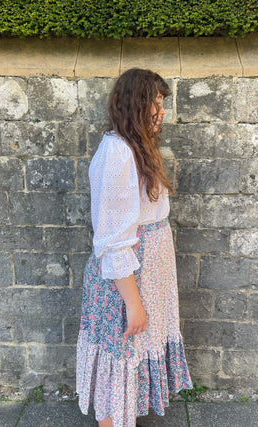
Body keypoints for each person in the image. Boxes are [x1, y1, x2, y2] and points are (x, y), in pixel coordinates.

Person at [76, 68, 193, 427]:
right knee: (118, 357)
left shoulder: (135, 148)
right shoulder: (117, 154)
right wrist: (134, 304)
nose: (161, 113)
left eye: (162, 105)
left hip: (147, 276)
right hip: (127, 282)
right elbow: (112, 241)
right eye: (154, 105)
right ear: (134, 106)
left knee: (128, 356)